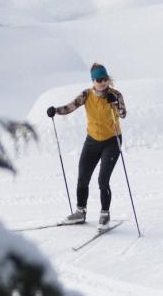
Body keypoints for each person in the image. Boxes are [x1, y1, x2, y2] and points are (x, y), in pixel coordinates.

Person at [47, 63, 127, 226]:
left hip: (112, 141)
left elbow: (123, 114)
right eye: (99, 79)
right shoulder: (86, 95)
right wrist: (55, 110)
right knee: (83, 177)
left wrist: (115, 104)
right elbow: (70, 107)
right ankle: (80, 212)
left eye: (104, 79)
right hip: (92, 141)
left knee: (103, 180)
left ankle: (104, 214)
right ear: (93, 81)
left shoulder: (115, 95)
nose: (102, 82)